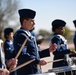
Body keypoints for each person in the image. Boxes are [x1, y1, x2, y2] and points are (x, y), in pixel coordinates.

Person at [13, 8, 57, 75]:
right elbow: (22, 55)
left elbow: (35, 54)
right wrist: (37, 61)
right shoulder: (21, 36)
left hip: (34, 71)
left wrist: (48, 50)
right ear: (25, 21)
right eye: (32, 21)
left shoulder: (28, 35)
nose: (34, 23)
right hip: (27, 72)